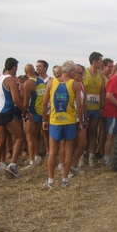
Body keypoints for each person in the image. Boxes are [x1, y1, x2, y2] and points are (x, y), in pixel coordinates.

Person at [42, 60, 84, 188]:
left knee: (53, 151)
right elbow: (79, 106)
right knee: (68, 150)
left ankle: (50, 180)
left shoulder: (51, 82)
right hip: (70, 121)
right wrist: (81, 123)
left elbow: (44, 104)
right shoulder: (75, 84)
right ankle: (65, 180)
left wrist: (44, 119)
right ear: (70, 71)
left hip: (55, 121)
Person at [0, 58, 30, 177]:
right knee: (20, 137)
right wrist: (25, 110)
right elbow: (15, 99)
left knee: (0, 141)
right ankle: (13, 165)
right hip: (7, 111)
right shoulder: (10, 79)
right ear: (14, 67)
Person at [83, 52, 105, 167]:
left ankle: (91, 156)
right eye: (100, 61)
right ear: (94, 61)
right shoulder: (84, 72)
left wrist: (102, 106)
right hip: (85, 108)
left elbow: (102, 91)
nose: (102, 63)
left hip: (96, 108)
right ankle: (82, 154)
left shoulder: (100, 74)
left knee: (93, 132)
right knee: (83, 132)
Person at [22, 64, 45, 169]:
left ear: (25, 71)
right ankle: (36, 157)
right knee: (36, 136)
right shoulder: (41, 81)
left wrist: (24, 112)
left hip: (32, 111)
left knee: (30, 137)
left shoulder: (28, 83)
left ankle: (31, 161)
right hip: (41, 112)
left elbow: (26, 102)